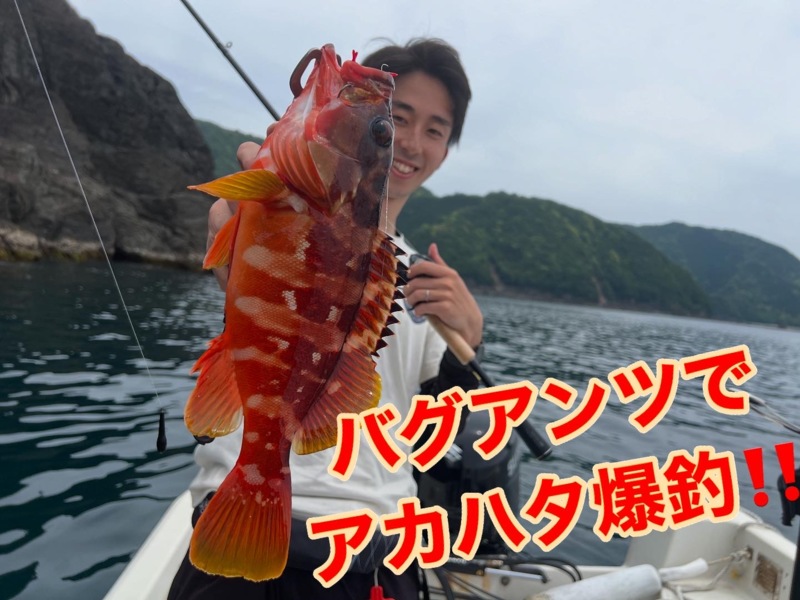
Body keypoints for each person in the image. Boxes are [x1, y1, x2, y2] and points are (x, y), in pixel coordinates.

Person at [168, 38, 484, 600]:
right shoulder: (279, 197)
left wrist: (472, 343)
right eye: (394, 122)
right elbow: (233, 223)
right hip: (233, 511)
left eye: (435, 130)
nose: (412, 142)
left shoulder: (426, 288)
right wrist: (240, 237)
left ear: (446, 149)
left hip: (374, 547)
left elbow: (434, 432)